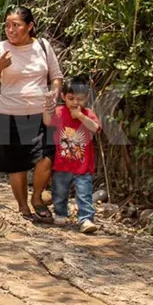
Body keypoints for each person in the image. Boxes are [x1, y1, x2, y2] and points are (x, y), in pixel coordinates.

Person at [0, 6, 63, 222]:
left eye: (16, 25)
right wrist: (0, 65)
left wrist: (54, 92)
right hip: (10, 113)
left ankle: (37, 198)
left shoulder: (42, 46)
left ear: (29, 26)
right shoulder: (0, 48)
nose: (10, 30)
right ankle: (23, 208)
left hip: (42, 114)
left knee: (47, 157)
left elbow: (56, 76)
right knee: (16, 164)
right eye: (7, 25)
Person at [44, 76, 101, 233]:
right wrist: (48, 105)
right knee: (59, 192)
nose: (75, 103)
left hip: (83, 166)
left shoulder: (88, 113)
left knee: (84, 194)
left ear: (87, 98)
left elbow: (95, 128)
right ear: (63, 97)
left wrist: (81, 117)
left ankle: (86, 219)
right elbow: (47, 121)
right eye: (71, 99)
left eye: (80, 99)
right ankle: (60, 213)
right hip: (62, 165)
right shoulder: (59, 112)